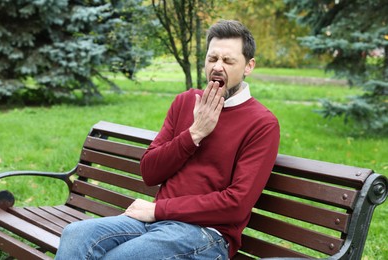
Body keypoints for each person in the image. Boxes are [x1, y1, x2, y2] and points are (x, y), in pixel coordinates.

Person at [55, 19, 280, 260]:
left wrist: (158, 209)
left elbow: (236, 205)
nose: (217, 66)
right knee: (76, 233)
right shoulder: (185, 102)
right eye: (212, 58)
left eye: (228, 61)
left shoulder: (262, 124)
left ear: (249, 66)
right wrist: (194, 134)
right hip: (155, 222)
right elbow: (150, 172)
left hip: (206, 235)